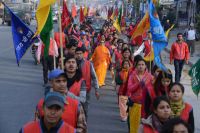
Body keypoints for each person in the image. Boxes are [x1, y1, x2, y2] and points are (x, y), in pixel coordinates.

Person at [127, 58, 153, 133]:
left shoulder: (150, 77)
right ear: (136, 66)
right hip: (135, 104)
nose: (141, 66)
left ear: (145, 66)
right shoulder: (132, 76)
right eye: (139, 65)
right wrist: (138, 84)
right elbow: (130, 88)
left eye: (142, 64)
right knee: (134, 126)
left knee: (144, 127)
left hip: (146, 107)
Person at [75, 47, 100, 119]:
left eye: (80, 54)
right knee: (75, 109)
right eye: (77, 54)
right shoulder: (71, 63)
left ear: (83, 54)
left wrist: (97, 90)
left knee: (85, 109)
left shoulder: (89, 64)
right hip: (74, 90)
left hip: (86, 90)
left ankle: (84, 125)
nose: (79, 55)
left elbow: (94, 77)